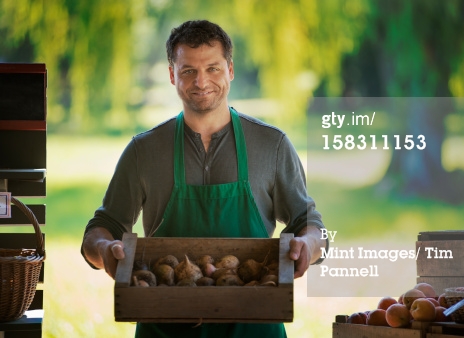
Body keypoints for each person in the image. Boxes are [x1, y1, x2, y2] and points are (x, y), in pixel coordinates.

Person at [81, 19, 327, 338]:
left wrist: (306, 245)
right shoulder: (143, 150)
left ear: (230, 70)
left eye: (213, 68)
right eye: (188, 71)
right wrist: (105, 250)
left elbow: (311, 224)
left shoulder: (273, 145)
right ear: (172, 75)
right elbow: (101, 229)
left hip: (254, 327)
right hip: (165, 327)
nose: (201, 81)